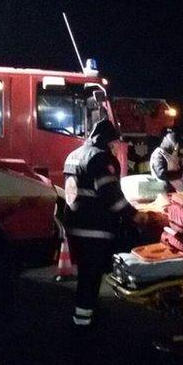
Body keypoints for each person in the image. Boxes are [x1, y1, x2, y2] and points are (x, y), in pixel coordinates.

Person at [63, 120, 146, 331]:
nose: (114, 148)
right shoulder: (99, 158)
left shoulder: (74, 155)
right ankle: (83, 324)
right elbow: (111, 195)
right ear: (104, 140)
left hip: (75, 224)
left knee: (86, 274)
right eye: (112, 144)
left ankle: (87, 313)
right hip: (94, 228)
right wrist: (135, 216)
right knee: (90, 277)